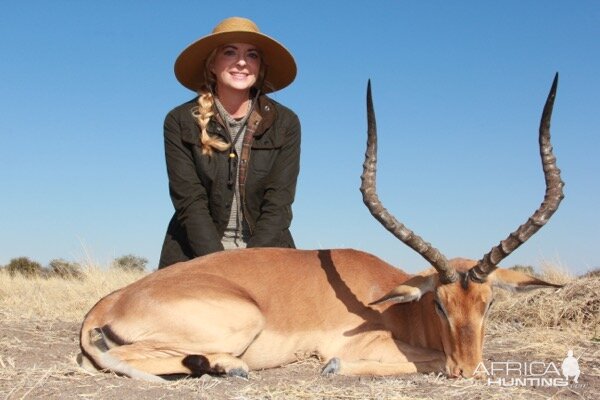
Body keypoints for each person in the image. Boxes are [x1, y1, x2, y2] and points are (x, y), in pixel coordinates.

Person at [158, 17, 300, 269]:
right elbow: (190, 202)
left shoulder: (286, 123)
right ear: (212, 63)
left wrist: (249, 265)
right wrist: (221, 266)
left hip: (266, 255)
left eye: (252, 55)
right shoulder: (179, 121)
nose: (242, 62)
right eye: (230, 52)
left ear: (260, 67)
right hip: (195, 255)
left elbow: (278, 203)